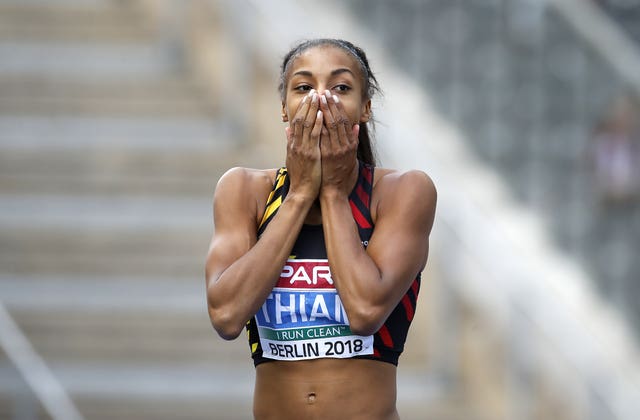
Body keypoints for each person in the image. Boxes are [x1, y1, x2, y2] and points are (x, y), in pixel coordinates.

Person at [205, 38, 437, 420]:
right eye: (304, 87)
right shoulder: (244, 190)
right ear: (284, 108)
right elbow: (227, 315)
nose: (321, 101)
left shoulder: (402, 192)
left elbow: (365, 311)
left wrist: (331, 191)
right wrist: (297, 195)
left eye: (340, 88)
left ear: (364, 108)